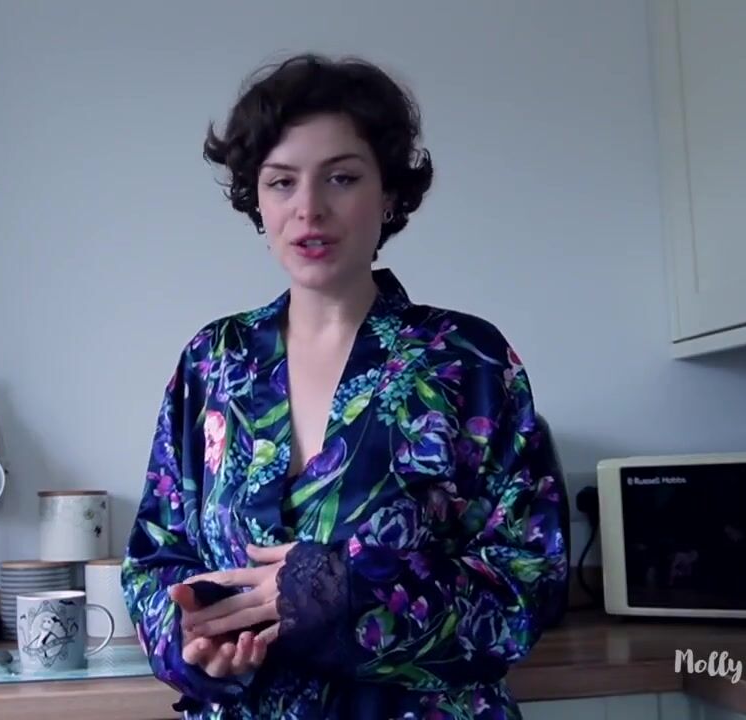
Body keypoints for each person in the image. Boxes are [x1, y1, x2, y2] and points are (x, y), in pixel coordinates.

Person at [121, 52, 568, 720]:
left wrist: (343, 594)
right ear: (257, 200)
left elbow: (528, 585)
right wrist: (191, 645)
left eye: (342, 177)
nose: (309, 208)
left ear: (388, 194)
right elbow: (156, 559)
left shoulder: (469, 361)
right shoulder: (212, 363)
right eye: (281, 182)